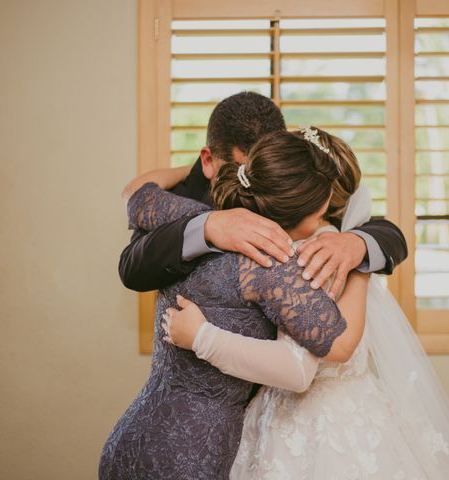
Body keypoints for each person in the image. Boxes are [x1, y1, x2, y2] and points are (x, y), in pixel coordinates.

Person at [163, 128, 449, 479]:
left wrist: (202, 338)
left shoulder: (317, 253)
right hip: (307, 409)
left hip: (319, 421)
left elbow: (303, 366)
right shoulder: (297, 244)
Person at [99, 129, 370, 479]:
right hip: (190, 456)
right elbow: (329, 347)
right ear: (310, 212)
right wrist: (360, 264)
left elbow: (138, 196)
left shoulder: (197, 220)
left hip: (132, 437)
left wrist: (208, 179)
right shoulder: (279, 264)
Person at [118, 91, 408, 300]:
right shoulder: (182, 194)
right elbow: (132, 267)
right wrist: (208, 226)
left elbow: (389, 233)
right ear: (208, 161)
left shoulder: (300, 181)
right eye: (242, 169)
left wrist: (356, 243)